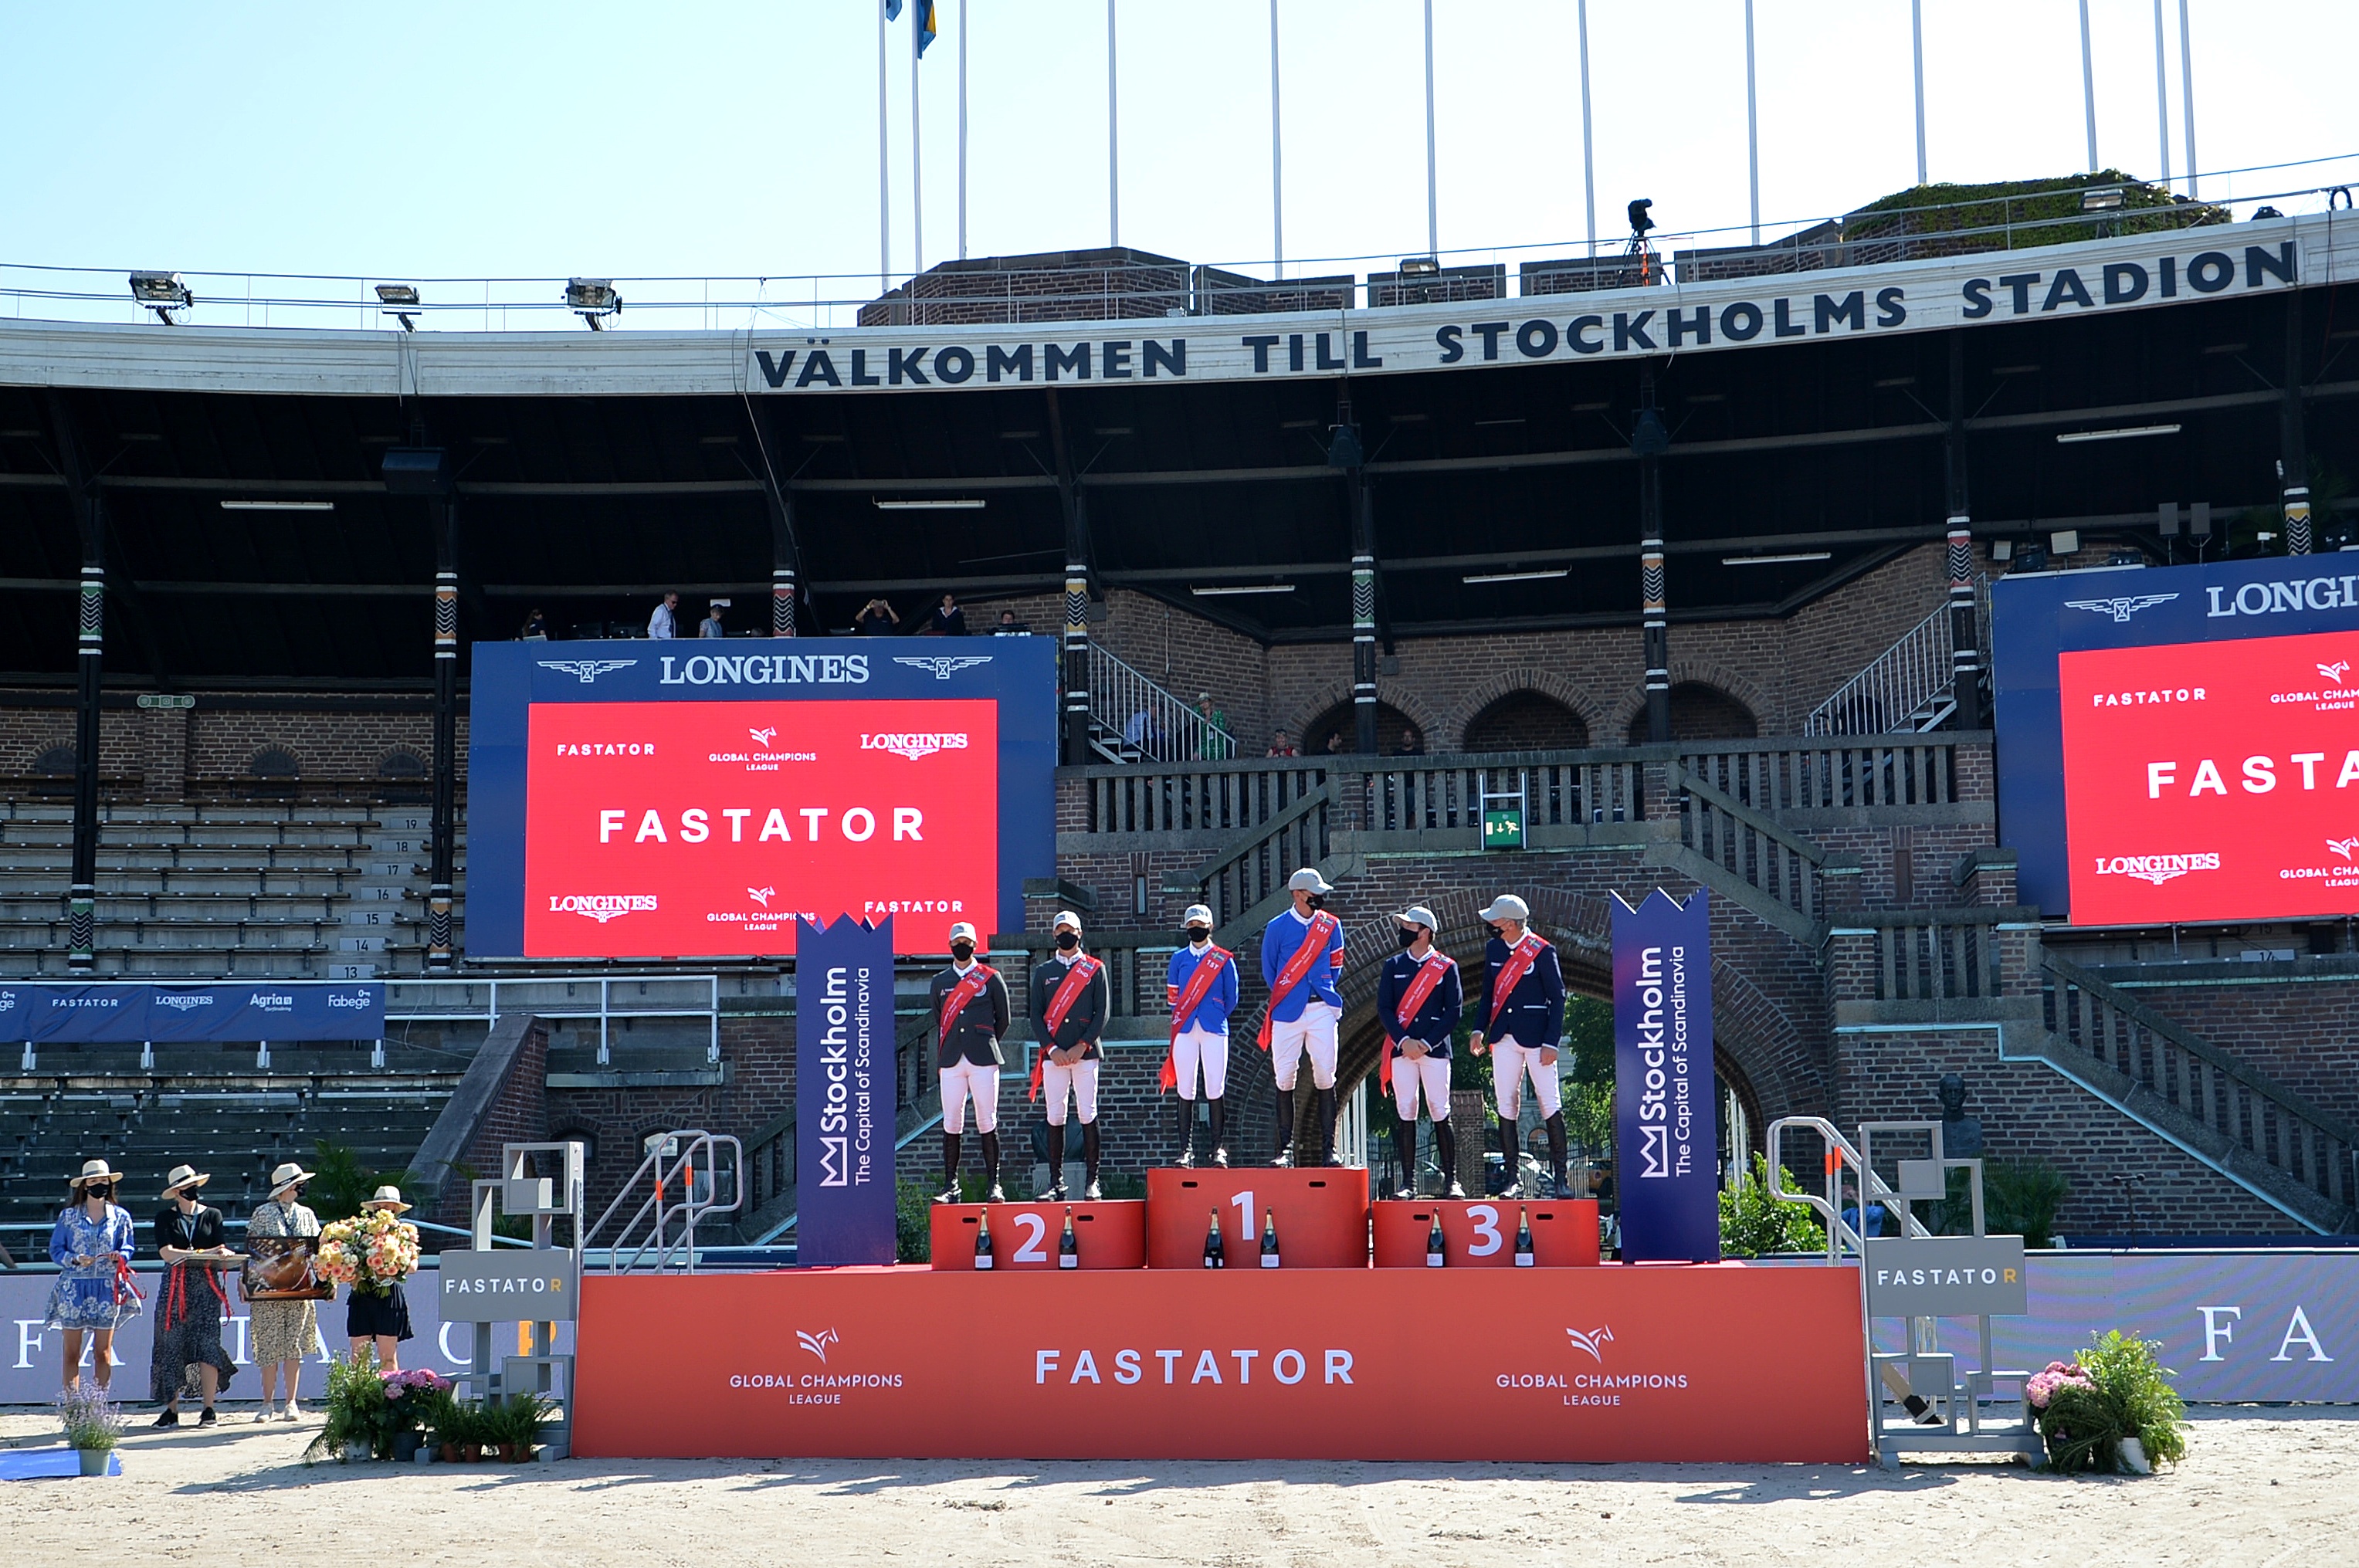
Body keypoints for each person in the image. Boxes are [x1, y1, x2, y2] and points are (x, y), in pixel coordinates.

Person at [1467, 894, 1572, 1199]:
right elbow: (1488, 994)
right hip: (1504, 1035)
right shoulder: (1494, 949)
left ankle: (1561, 1178)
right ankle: (1512, 1179)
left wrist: (1552, 1041)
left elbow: (1558, 997)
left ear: (1510, 924)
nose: (1490, 924)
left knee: (1549, 1102)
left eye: (1495, 920)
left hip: (1538, 1039)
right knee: (1506, 1103)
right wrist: (1478, 1028)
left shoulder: (1542, 951)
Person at [1259, 867, 1345, 1167]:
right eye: (1314, 893)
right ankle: (1285, 1149)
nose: (1320, 898)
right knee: (1285, 1076)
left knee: (1326, 1074)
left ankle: (1329, 1148)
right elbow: (1270, 969)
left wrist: (1322, 987)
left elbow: (1336, 965)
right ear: (1298, 895)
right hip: (1288, 1011)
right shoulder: (1277, 927)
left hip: (1321, 1007)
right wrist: (1290, 992)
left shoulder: (1331, 925)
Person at [1377, 906, 1463, 1199]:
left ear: (1425, 932)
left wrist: (1426, 1043)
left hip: (1434, 1050)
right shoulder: (1393, 966)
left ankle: (1451, 1181)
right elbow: (1385, 1008)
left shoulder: (1446, 967)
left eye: (1408, 926)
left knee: (1440, 1109)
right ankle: (1408, 1183)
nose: (1402, 930)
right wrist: (1403, 1041)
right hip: (1403, 1050)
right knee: (1406, 1110)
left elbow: (1454, 1011)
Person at [1029, 910, 1110, 1201]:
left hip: (1084, 1054)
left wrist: (1082, 1045)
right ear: (1054, 935)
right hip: (1055, 1056)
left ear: (1079, 934)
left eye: (1071, 930)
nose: (1066, 935)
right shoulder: (1043, 972)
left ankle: (1092, 1181)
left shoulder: (1095, 969)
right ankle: (1056, 1183)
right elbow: (1035, 1015)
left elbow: (1102, 1012)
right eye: (1061, 930)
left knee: (1088, 1112)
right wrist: (1052, 1049)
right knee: (1055, 1115)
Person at [931, 921, 1011, 1204]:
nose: (961, 946)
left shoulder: (991, 978)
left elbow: (1004, 1019)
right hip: (952, 1059)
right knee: (952, 1121)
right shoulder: (940, 981)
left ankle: (994, 1184)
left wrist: (984, 1041)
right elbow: (939, 1018)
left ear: (975, 945)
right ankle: (951, 1185)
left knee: (987, 1119)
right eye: (957, 943)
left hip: (983, 1058)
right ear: (950, 946)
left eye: (966, 942)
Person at [150, 1163, 236, 1427]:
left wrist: (219, 1254)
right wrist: (199, 1253)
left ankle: (209, 1408)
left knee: (208, 1344)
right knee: (171, 1345)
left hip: (206, 1285)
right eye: (187, 1186)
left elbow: (219, 1247)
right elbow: (166, 1253)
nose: (192, 1190)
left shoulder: (212, 1215)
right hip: (175, 1286)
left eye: (193, 1185)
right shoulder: (165, 1217)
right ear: (177, 1191)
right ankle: (171, 1409)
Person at [45, 1160, 140, 1395]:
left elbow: (128, 1247)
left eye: (103, 1180)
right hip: (74, 1287)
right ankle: (73, 1406)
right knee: (71, 1352)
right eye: (94, 1180)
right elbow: (56, 1250)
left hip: (107, 1286)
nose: (100, 1184)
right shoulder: (68, 1216)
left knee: (103, 1352)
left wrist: (120, 1256)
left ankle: (99, 1405)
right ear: (85, 1185)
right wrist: (76, 1259)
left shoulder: (120, 1216)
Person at [1162, 903, 1239, 1168]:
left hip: (1214, 1028)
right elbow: (1173, 996)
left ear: (1210, 926)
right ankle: (1186, 1150)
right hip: (1185, 1029)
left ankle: (1218, 1149)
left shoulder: (1223, 959)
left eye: (1200, 925)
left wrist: (1214, 1013)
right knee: (1186, 1088)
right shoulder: (1178, 959)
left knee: (1215, 1087)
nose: (1196, 929)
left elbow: (1232, 997)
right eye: (1192, 925)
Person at [246, 1162, 321, 1423]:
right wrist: (245, 1281)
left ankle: (291, 1402)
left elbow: (317, 1251)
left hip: (300, 1287)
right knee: (268, 1345)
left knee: (293, 1347)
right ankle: (267, 1403)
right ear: (289, 1186)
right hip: (268, 1290)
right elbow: (253, 1250)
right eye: (299, 1183)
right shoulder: (263, 1213)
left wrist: (325, 1281)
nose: (302, 1187)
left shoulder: (307, 1214)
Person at [342, 1187, 418, 1371]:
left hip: (389, 1295)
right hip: (362, 1293)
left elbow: (413, 1266)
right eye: (378, 1208)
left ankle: (391, 1389)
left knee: (388, 1358)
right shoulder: (360, 1231)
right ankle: (359, 1390)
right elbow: (349, 1263)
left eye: (387, 1208)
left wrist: (393, 1266)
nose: (382, 1212)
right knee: (358, 1358)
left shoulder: (404, 1233)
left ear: (396, 1210)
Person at [1195, 693, 1231, 760]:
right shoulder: (1201, 716)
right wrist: (1200, 708)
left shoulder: (1217, 714)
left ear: (1210, 702)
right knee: (1196, 755)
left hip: (1217, 743)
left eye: (1206, 701)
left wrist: (1212, 725)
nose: (1204, 704)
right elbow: (1194, 710)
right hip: (1206, 744)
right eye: (1201, 702)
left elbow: (1222, 729)